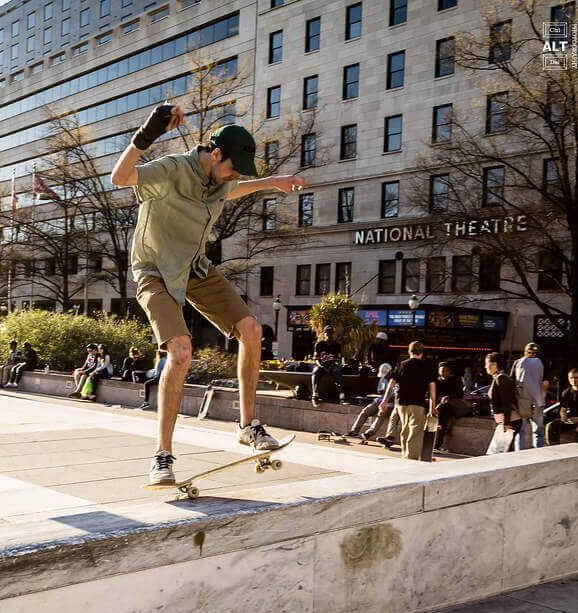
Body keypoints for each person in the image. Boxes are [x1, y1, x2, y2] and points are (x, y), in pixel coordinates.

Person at [110, 105, 307, 484]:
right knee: (180, 352)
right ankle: (162, 455)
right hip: (155, 272)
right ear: (215, 154)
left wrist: (274, 181)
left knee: (252, 330)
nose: (232, 178)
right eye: (231, 168)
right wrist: (148, 133)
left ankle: (247, 425)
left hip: (196, 268)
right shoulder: (171, 170)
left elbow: (237, 188)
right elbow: (121, 177)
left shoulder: (222, 179)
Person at [378, 341, 437, 461]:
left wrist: (384, 401)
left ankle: (405, 455)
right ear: (422, 353)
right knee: (415, 432)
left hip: (401, 404)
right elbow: (432, 387)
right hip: (418, 403)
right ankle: (411, 459)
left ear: (409, 351)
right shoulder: (427, 367)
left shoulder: (401, 365)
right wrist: (433, 405)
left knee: (405, 429)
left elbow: (391, 384)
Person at [546, 368, 578, 445]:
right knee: (551, 426)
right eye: (571, 378)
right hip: (571, 419)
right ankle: (555, 448)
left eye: (576, 377)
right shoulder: (566, 392)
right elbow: (563, 409)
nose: (573, 380)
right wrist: (563, 416)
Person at [485, 351, 522, 453]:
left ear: (495, 364)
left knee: (502, 452)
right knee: (503, 451)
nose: (485, 367)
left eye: (487, 363)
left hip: (511, 420)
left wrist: (507, 422)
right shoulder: (498, 377)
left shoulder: (501, 378)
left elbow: (507, 402)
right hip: (507, 420)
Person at [512, 342, 545, 449]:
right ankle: (538, 455)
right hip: (538, 402)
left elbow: (511, 381)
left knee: (520, 432)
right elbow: (545, 384)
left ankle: (519, 457)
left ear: (525, 352)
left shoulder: (518, 362)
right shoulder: (541, 363)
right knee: (538, 432)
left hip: (521, 403)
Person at [433, 362, 472, 454]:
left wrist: (449, 397)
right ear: (439, 371)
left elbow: (459, 393)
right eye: (443, 371)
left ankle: (438, 444)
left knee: (444, 413)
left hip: (451, 406)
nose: (445, 373)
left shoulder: (455, 380)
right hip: (437, 406)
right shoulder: (435, 381)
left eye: (447, 371)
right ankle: (434, 444)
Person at [345, 363, 393, 438]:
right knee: (365, 411)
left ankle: (369, 433)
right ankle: (354, 431)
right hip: (379, 400)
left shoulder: (395, 381)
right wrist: (381, 392)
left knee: (381, 415)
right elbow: (379, 390)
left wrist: (386, 399)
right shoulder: (382, 379)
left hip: (389, 403)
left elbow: (395, 395)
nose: (385, 377)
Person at [311, 325, 346, 406]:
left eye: (331, 333)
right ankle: (315, 395)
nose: (329, 335)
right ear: (324, 334)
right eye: (327, 333)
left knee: (337, 371)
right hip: (321, 365)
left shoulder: (337, 345)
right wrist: (322, 367)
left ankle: (341, 396)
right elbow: (316, 359)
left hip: (332, 365)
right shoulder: (319, 344)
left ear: (333, 334)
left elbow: (338, 359)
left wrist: (330, 367)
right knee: (316, 372)